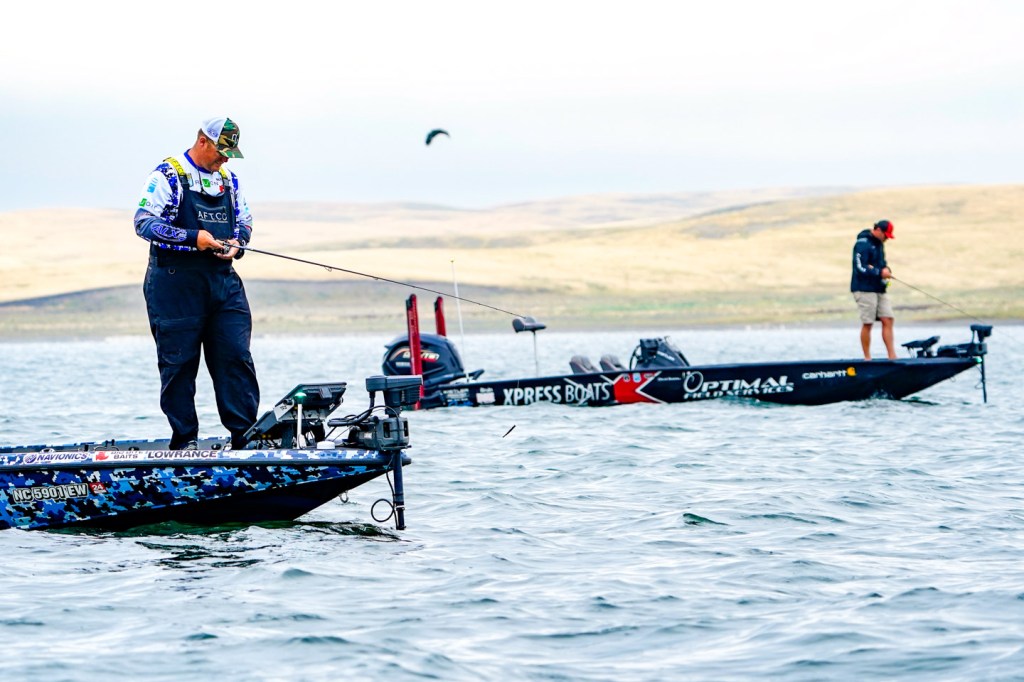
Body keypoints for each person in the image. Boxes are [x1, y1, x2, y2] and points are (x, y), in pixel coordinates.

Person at [133, 117, 259, 450]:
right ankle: (185, 440)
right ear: (203, 141)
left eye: (230, 154)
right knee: (179, 365)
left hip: (223, 283)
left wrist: (238, 242)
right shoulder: (167, 175)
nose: (225, 159)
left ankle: (245, 438)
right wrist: (194, 238)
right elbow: (144, 223)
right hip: (174, 284)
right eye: (221, 152)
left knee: (236, 357)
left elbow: (245, 221)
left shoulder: (229, 180)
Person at [851, 219, 896, 360]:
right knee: (868, 322)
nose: (886, 239)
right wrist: (878, 272)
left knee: (888, 319)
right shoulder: (862, 244)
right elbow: (860, 267)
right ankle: (867, 358)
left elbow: (881, 263)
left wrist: (886, 269)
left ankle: (892, 356)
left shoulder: (879, 244)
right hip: (864, 289)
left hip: (879, 288)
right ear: (878, 230)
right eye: (885, 235)